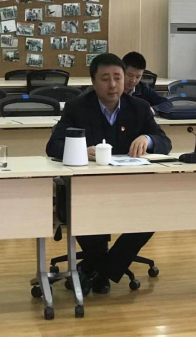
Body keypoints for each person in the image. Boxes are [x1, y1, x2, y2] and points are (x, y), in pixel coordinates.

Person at [47, 53, 172, 295]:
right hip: (87, 189)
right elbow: (53, 145)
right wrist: (81, 150)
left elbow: (165, 142)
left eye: (118, 77)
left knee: (153, 213)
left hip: (130, 187)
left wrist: (147, 139)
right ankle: (101, 272)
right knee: (84, 210)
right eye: (105, 79)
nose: (113, 85)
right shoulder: (77, 107)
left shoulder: (139, 108)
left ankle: (96, 270)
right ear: (93, 81)